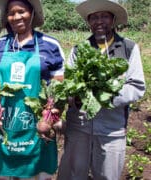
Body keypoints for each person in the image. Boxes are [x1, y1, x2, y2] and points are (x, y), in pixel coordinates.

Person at [57, 0, 146, 179]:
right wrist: (76, 97)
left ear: (113, 20)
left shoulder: (128, 48)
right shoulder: (79, 49)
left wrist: (102, 98)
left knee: (108, 175)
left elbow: (136, 87)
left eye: (104, 16)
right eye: (94, 17)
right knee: (73, 174)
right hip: (79, 126)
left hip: (111, 130)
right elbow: (67, 85)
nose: (99, 21)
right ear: (89, 22)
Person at [0, 0, 65, 179]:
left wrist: (48, 121)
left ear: (32, 13)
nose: (16, 17)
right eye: (11, 13)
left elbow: (59, 90)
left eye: (22, 11)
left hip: (37, 130)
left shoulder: (50, 45)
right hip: (2, 127)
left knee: (37, 174)